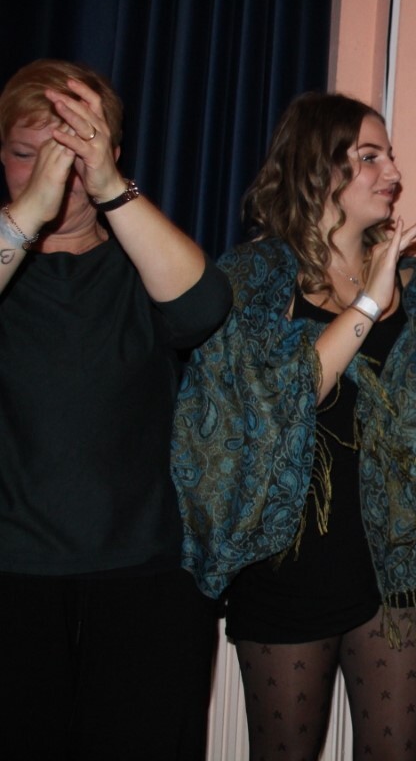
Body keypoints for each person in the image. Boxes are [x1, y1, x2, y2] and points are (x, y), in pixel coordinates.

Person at [172, 92, 416, 761]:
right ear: (317, 167)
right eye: (369, 156)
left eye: (390, 154)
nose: (392, 170)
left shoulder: (409, 278)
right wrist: (367, 301)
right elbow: (286, 395)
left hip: (390, 564)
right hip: (288, 567)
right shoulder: (256, 274)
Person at [0, 59, 231, 759]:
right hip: (11, 579)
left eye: (73, 152)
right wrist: (27, 216)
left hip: (143, 579)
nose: (51, 174)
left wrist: (107, 187)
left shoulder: (139, 260)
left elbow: (204, 309)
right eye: (26, 153)